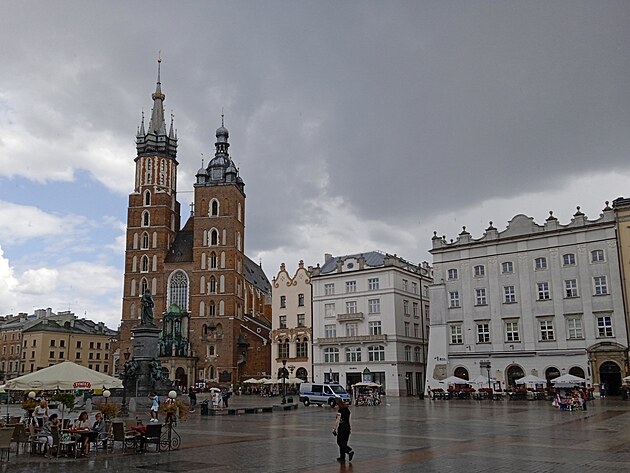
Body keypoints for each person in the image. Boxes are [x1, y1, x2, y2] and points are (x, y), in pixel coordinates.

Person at [332, 398, 354, 463]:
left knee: (339, 442)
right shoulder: (347, 410)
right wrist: (350, 428)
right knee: (344, 442)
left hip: (342, 427)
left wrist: (334, 428)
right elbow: (349, 420)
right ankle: (342, 457)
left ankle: (349, 451)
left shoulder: (340, 411)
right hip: (347, 427)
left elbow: (338, 420)